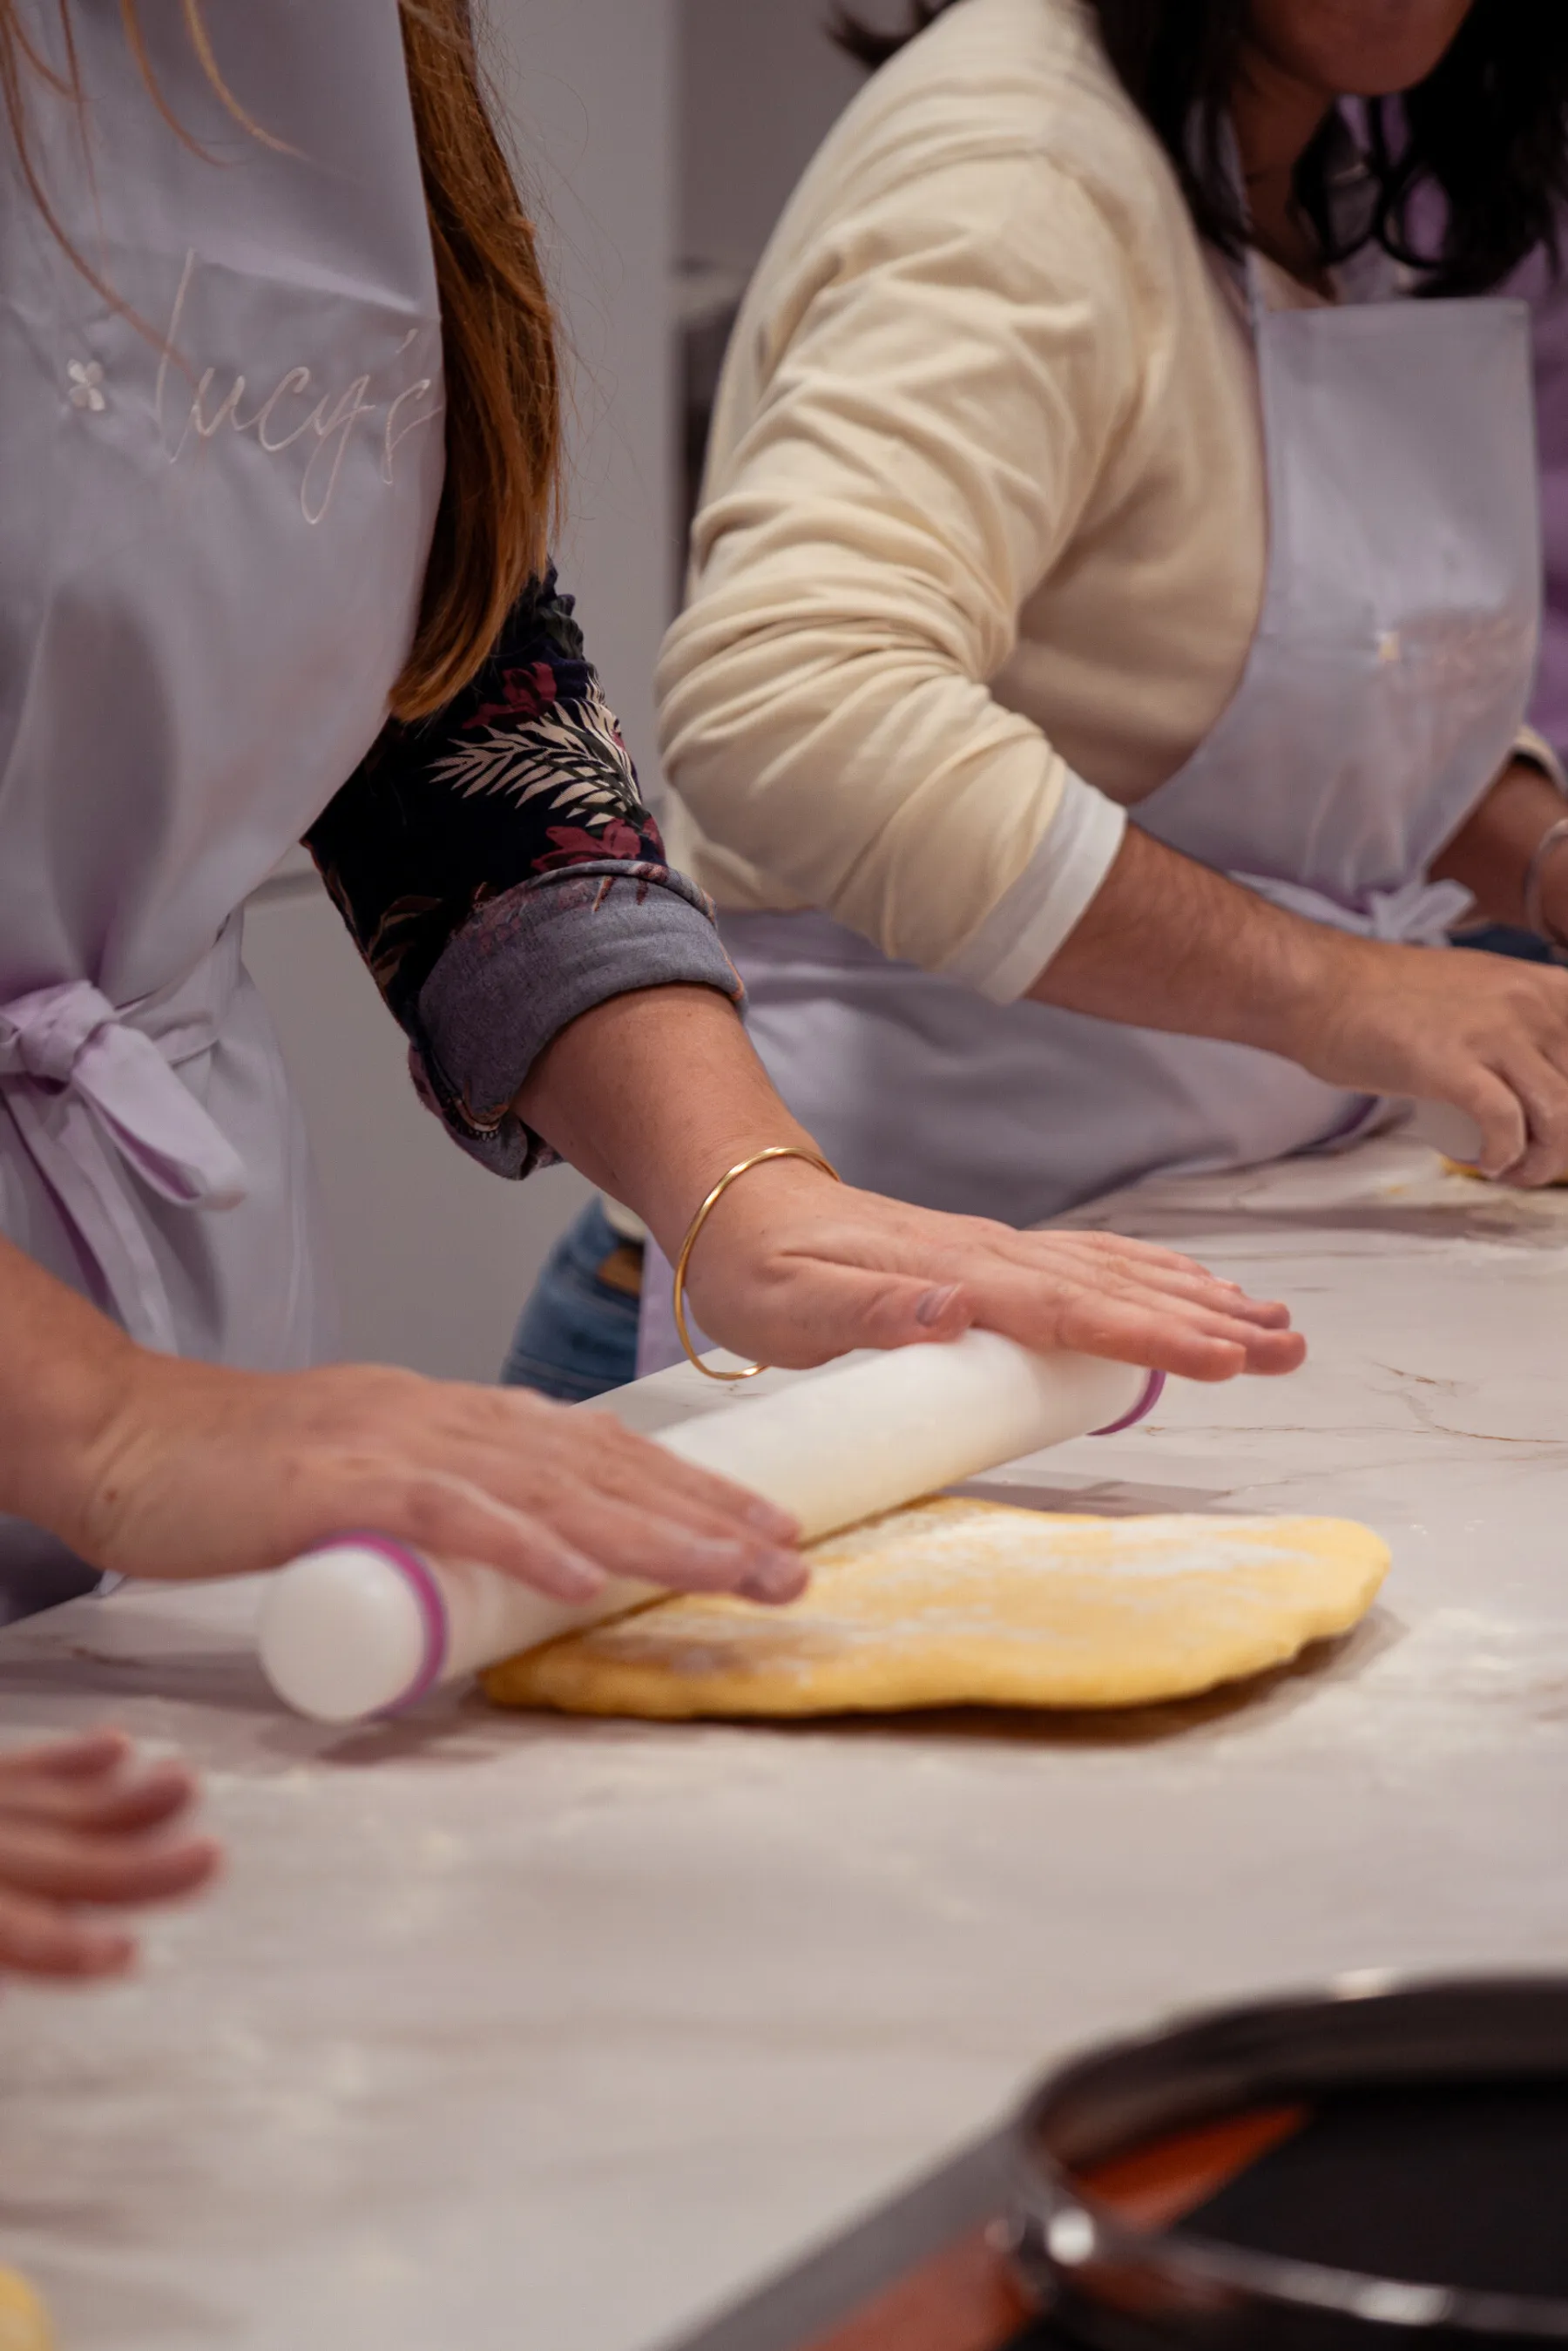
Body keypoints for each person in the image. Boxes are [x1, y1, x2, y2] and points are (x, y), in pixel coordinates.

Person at [0, 0, 1301, 1673]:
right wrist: (103, 1419)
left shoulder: (365, 44)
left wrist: (746, 1189)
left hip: (191, 1395)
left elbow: (447, 684)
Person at [507, 0, 1568, 1388]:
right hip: (874, 1321)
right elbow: (791, 698)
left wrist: (1544, 863)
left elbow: (1289, 692)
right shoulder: (1019, 167)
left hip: (1162, 1247)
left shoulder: (1302, 170)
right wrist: (1338, 985)